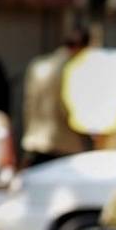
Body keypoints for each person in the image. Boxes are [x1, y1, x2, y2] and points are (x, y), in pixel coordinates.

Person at [19, 26, 89, 166]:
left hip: (36, 140)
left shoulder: (38, 65)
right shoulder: (73, 69)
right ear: (81, 48)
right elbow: (70, 109)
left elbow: (28, 105)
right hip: (65, 145)